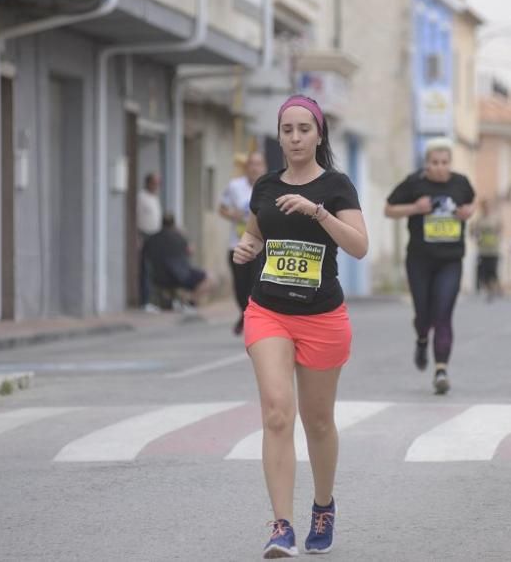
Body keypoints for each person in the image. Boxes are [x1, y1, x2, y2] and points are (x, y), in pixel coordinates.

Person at [232, 95, 367, 558]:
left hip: (322, 316)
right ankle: (281, 526)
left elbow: (360, 247)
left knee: (319, 422)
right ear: (279, 135)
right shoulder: (266, 186)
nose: (294, 138)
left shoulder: (337, 186)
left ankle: (324, 506)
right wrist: (246, 248)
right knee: (276, 412)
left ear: (318, 134)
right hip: (268, 310)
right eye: (286, 130)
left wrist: (318, 212)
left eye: (303, 129)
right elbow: (254, 231)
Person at [385, 138, 476, 395]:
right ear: (426, 164)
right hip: (420, 260)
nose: (440, 168)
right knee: (423, 314)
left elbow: (471, 202)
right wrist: (415, 208)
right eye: (434, 163)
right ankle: (422, 339)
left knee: (443, 313)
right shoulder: (414, 183)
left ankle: (441, 371)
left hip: (450, 260)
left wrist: (468, 211)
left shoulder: (460, 183)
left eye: (444, 162)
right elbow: (389, 209)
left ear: (450, 163)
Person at [220, 151, 268, 335]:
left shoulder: (269, 186)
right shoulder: (234, 186)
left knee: (254, 285)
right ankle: (244, 313)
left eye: (259, 164)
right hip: (236, 244)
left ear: (264, 167)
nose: (255, 168)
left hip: (260, 246)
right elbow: (222, 208)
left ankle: (252, 319)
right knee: (240, 287)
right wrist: (234, 215)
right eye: (252, 164)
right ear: (246, 167)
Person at [145, 214, 214, 315]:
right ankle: (191, 302)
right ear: (173, 224)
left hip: (157, 277)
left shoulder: (152, 239)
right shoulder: (178, 237)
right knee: (211, 278)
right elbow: (190, 251)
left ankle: (180, 301)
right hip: (179, 276)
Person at [136, 172, 163, 312]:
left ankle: (153, 300)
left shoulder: (154, 197)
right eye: (154, 183)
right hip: (145, 236)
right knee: (145, 269)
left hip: (155, 237)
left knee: (153, 269)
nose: (156, 186)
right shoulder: (141, 197)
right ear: (148, 183)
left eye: (158, 183)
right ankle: (144, 301)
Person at [472, 199, 503, 301]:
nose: (486, 208)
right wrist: (477, 237)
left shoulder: (495, 218)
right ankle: (488, 289)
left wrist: (498, 238)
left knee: (492, 271)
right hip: (482, 250)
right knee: (483, 271)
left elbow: (500, 230)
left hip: (493, 250)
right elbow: (473, 231)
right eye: (484, 206)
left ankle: (494, 290)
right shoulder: (479, 219)